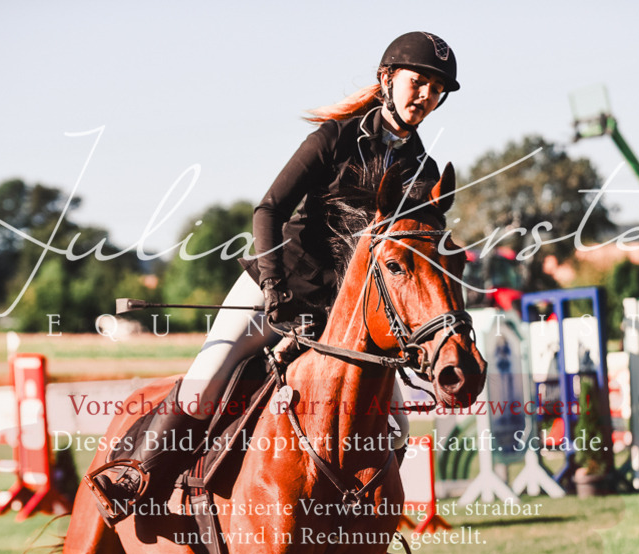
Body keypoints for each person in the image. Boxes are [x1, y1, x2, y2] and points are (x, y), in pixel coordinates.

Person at [88, 31, 460, 525]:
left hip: (346, 319)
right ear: (388, 78)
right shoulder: (333, 139)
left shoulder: (423, 169)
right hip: (279, 287)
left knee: (391, 428)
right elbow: (268, 210)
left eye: (437, 89)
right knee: (203, 385)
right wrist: (275, 287)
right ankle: (139, 484)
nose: (427, 96)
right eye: (420, 82)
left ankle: (366, 545)